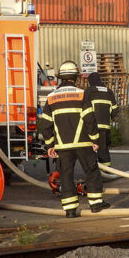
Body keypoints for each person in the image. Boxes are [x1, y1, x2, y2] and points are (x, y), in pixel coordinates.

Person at [39, 60, 110, 218]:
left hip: (62, 147)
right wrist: (95, 140)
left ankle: (70, 210)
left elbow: (46, 124)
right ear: (75, 77)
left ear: (60, 78)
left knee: (66, 176)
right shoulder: (82, 94)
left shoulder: (51, 98)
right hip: (84, 144)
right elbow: (90, 119)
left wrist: (50, 145)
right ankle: (96, 204)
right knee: (91, 172)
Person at [83, 71, 120, 167]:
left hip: (91, 126)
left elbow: (83, 109)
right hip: (105, 127)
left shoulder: (88, 91)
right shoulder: (109, 91)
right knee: (103, 150)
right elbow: (115, 110)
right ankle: (106, 172)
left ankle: (93, 174)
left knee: (90, 150)